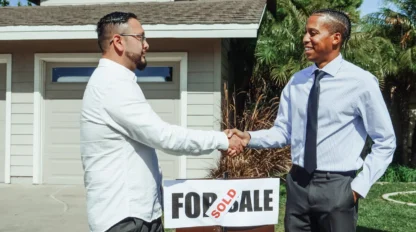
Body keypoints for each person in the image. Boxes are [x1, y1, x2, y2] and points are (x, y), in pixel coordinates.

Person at [226, 9, 396, 232]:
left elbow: (385, 141)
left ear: (336, 38)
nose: (305, 39)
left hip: (337, 187)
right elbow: (283, 132)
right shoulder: (297, 81)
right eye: (306, 33)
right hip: (297, 185)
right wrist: (248, 137)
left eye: (313, 33)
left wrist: (356, 189)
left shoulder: (361, 82)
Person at [80, 11, 243, 232]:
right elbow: (164, 137)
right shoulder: (112, 85)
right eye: (141, 38)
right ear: (118, 42)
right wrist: (222, 140)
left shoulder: (115, 81)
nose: (146, 45)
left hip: (136, 215)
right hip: (125, 219)